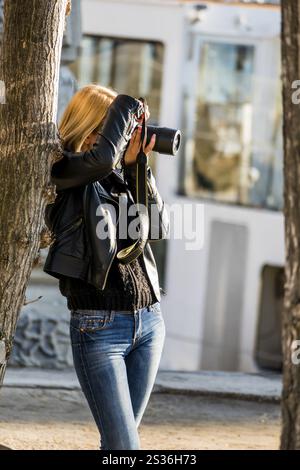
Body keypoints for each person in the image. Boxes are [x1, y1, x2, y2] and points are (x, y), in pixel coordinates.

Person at [43, 84, 169, 450]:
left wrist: (136, 169)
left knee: (117, 445)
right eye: (118, 127)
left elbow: (156, 227)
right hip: (100, 327)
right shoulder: (63, 170)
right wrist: (128, 104)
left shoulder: (117, 173)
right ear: (93, 128)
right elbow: (98, 160)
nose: (126, 135)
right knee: (125, 448)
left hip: (149, 321)